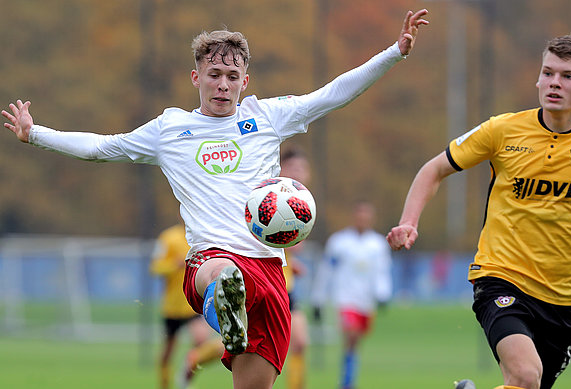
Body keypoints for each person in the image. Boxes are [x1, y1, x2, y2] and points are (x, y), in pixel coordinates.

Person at [2, 9, 428, 389]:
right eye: (213, 75)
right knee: (223, 272)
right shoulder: (169, 130)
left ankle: (231, 312)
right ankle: (222, 302)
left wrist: (394, 51)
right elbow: (101, 148)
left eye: (231, 77)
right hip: (212, 258)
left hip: (269, 270)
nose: (222, 85)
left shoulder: (266, 117)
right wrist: (35, 134)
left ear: (245, 81)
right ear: (196, 78)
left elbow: (333, 94)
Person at [387, 34, 571, 389]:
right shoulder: (503, 129)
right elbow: (434, 169)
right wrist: (409, 221)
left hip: (565, 299)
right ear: (538, 78)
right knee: (527, 376)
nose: (554, 83)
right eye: (548, 73)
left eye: (567, 76)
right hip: (502, 278)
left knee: (522, 385)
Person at [312, 200, 393, 389]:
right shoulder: (339, 242)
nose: (362, 219)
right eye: (359, 215)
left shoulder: (378, 244)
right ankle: (347, 382)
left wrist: (383, 294)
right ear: (354, 217)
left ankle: (348, 376)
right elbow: (327, 271)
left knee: (354, 342)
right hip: (344, 298)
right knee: (351, 335)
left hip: (366, 301)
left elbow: (382, 272)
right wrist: (319, 298)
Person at [150, 222, 223, 388]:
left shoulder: (203, 236)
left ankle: (185, 379)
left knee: (201, 342)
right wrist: (173, 265)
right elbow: (155, 267)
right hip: (172, 307)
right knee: (166, 355)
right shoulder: (168, 237)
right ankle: (165, 385)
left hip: (192, 304)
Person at [279, 145, 311, 389]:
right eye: (295, 167)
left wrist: (292, 262)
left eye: (304, 168)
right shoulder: (274, 197)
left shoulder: (302, 199)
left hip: (286, 283)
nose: (301, 172)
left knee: (300, 342)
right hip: (269, 281)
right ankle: (196, 357)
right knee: (245, 344)